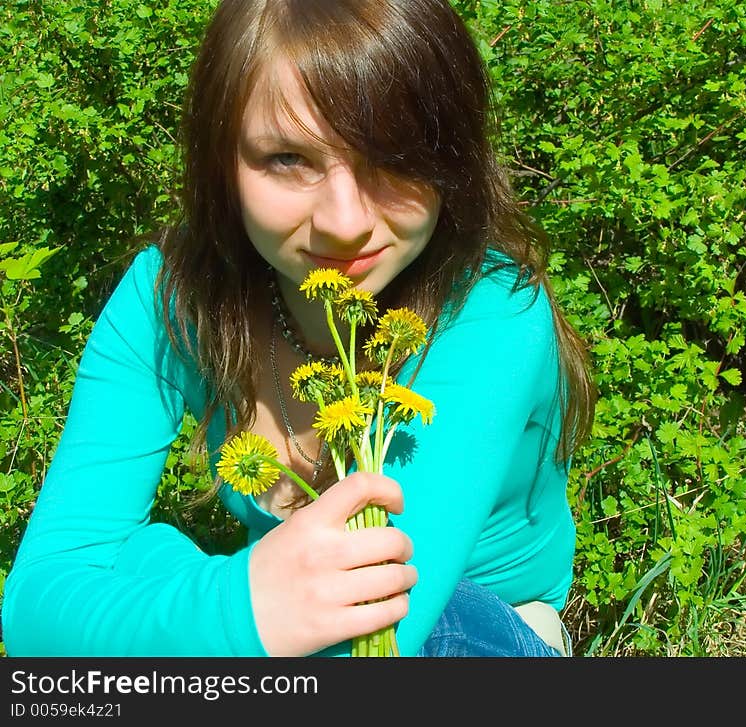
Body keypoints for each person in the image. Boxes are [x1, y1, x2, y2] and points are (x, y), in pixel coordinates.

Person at [1, 0, 594, 657]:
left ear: (451, 157)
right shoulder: (171, 293)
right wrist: (236, 601)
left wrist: (184, 597)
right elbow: (33, 606)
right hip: (295, 608)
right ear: (222, 157)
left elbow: (376, 639)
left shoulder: (490, 310)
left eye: (392, 158)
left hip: (474, 628)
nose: (344, 221)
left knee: (128, 577)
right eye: (287, 158)